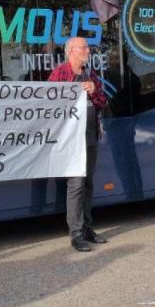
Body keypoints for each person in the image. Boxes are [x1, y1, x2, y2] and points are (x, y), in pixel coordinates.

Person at [48, 37, 108, 252]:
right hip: (71, 141)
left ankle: (87, 228)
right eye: (83, 47)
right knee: (75, 186)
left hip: (90, 137)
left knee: (88, 184)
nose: (88, 50)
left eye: (87, 47)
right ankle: (76, 234)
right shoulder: (60, 74)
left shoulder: (91, 74)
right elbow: (49, 104)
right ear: (72, 51)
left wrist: (94, 90)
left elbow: (103, 103)